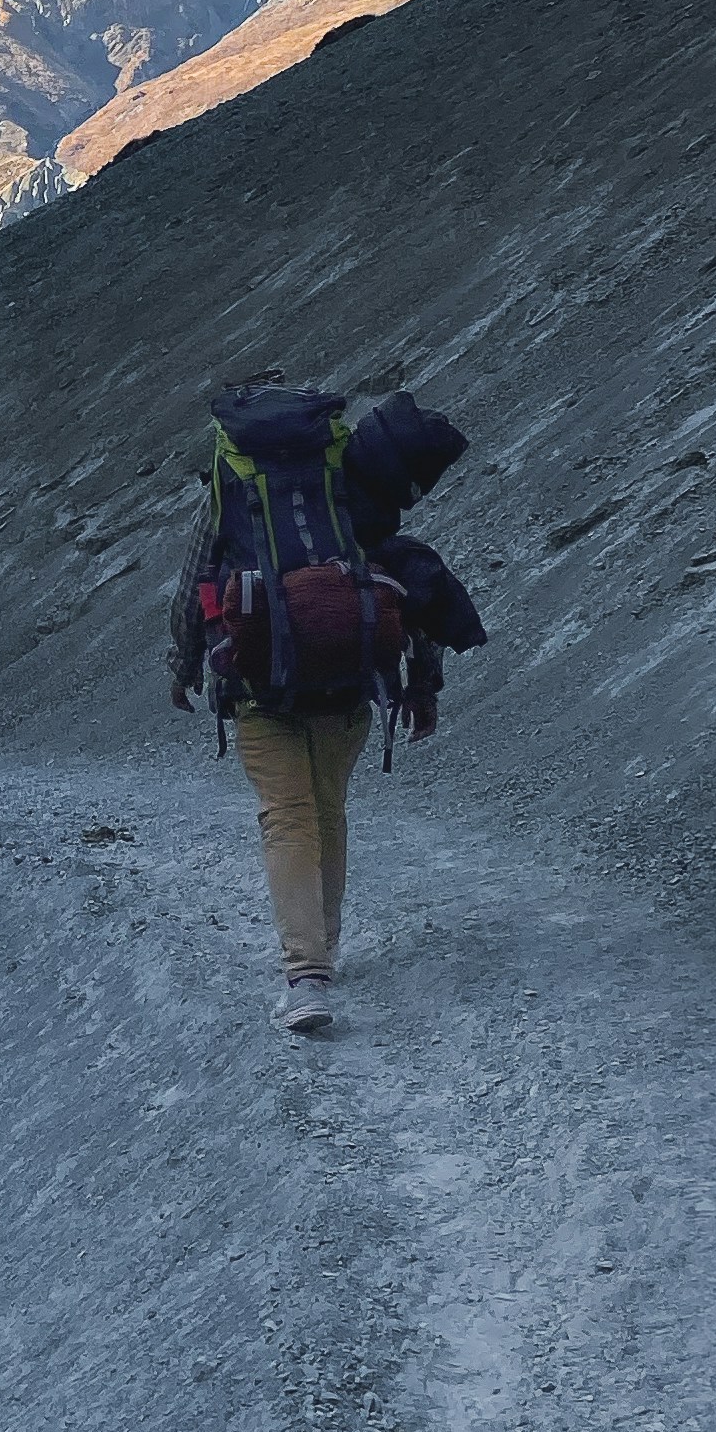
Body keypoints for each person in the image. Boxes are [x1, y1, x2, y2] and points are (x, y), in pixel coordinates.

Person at [165, 385, 485, 1036]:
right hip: (348, 674)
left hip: (259, 680)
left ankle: (305, 973)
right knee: (326, 812)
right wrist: (422, 682)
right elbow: (407, 583)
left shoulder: (232, 480)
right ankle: (321, 952)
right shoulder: (350, 485)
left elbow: (195, 574)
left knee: (287, 817)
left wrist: (185, 660)